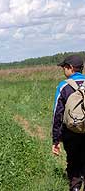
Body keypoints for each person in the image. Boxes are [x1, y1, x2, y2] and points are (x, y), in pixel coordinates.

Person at [52, 55, 85, 191]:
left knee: (73, 162)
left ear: (70, 68)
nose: (63, 71)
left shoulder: (63, 86)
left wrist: (56, 140)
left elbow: (57, 115)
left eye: (64, 68)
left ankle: (75, 188)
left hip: (71, 131)